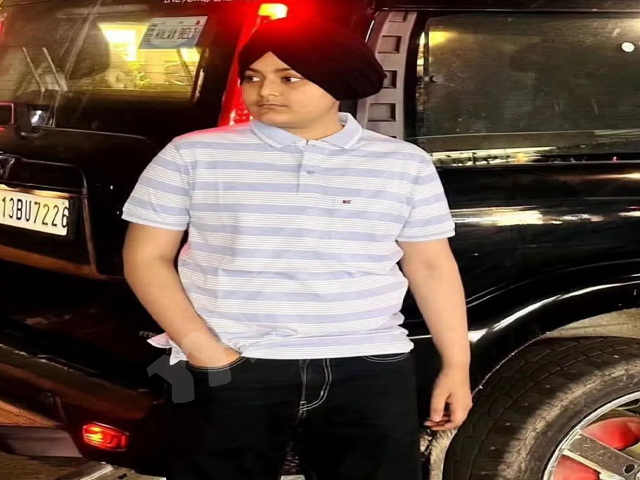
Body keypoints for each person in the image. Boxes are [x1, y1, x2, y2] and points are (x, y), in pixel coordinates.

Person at [122, 16, 472, 480]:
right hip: (232, 362)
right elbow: (146, 258)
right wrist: (204, 350)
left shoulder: (403, 163)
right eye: (253, 77)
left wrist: (456, 364)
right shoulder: (192, 154)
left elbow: (430, 265)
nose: (265, 91)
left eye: (289, 78)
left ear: (338, 82)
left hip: (370, 365)